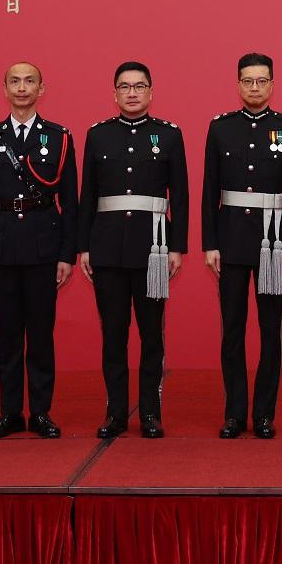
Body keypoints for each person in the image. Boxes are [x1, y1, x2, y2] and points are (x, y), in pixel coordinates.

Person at [78, 61, 188, 440]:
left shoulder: (169, 135)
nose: (132, 93)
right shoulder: (98, 135)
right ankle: (115, 412)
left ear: (151, 92)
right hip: (107, 248)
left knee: (151, 336)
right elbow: (87, 196)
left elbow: (182, 195)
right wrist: (84, 247)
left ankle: (151, 414)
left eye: (139, 86)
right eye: (124, 87)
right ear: (115, 93)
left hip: (153, 249)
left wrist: (177, 246)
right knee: (114, 335)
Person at [0, 62, 78, 440]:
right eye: (14, 81)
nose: (22, 88)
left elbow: (70, 202)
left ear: (41, 89)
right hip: (0, 246)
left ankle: (42, 413)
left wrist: (67, 253)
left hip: (42, 245)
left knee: (41, 334)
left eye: (29, 81)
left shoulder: (59, 136)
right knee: (8, 335)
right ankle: (10, 412)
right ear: (4, 89)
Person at [201, 53, 282, 440]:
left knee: (269, 331)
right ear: (238, 84)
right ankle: (234, 413)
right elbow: (210, 189)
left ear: (273, 84)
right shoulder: (220, 128)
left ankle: (263, 414)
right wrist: (209, 242)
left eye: (262, 81)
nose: (255, 88)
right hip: (229, 240)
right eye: (248, 81)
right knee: (232, 330)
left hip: (272, 243)